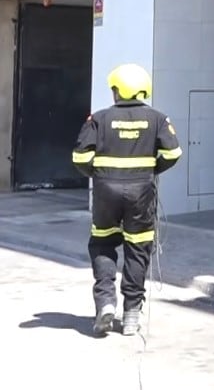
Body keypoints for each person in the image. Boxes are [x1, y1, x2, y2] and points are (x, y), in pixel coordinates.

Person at [71, 63, 182, 336]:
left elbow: (80, 158)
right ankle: (132, 313)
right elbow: (173, 153)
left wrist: (100, 175)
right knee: (138, 247)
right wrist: (151, 169)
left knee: (103, 244)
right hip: (141, 193)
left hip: (105, 193)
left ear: (118, 91)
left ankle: (106, 303)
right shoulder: (158, 119)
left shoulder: (98, 119)